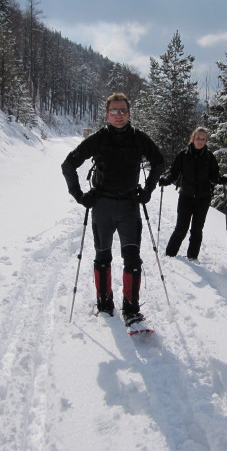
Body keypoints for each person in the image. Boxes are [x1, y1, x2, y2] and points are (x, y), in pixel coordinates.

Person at [61, 93, 164, 325]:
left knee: (132, 258)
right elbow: (68, 164)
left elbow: (159, 161)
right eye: (114, 111)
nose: (119, 115)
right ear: (107, 114)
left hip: (129, 206)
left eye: (123, 111)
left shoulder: (139, 138)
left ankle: (131, 307)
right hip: (103, 206)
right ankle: (104, 303)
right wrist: (79, 196)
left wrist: (147, 191)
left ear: (129, 113)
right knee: (103, 256)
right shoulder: (99, 138)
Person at [159, 127, 227, 260]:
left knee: (197, 230)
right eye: (198, 138)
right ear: (193, 138)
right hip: (186, 196)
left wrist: (220, 179)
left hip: (203, 198)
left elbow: (214, 175)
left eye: (203, 139)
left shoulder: (209, 157)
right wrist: (166, 180)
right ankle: (169, 255)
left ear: (206, 141)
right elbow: (173, 172)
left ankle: (192, 257)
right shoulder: (183, 155)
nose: (200, 141)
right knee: (181, 228)